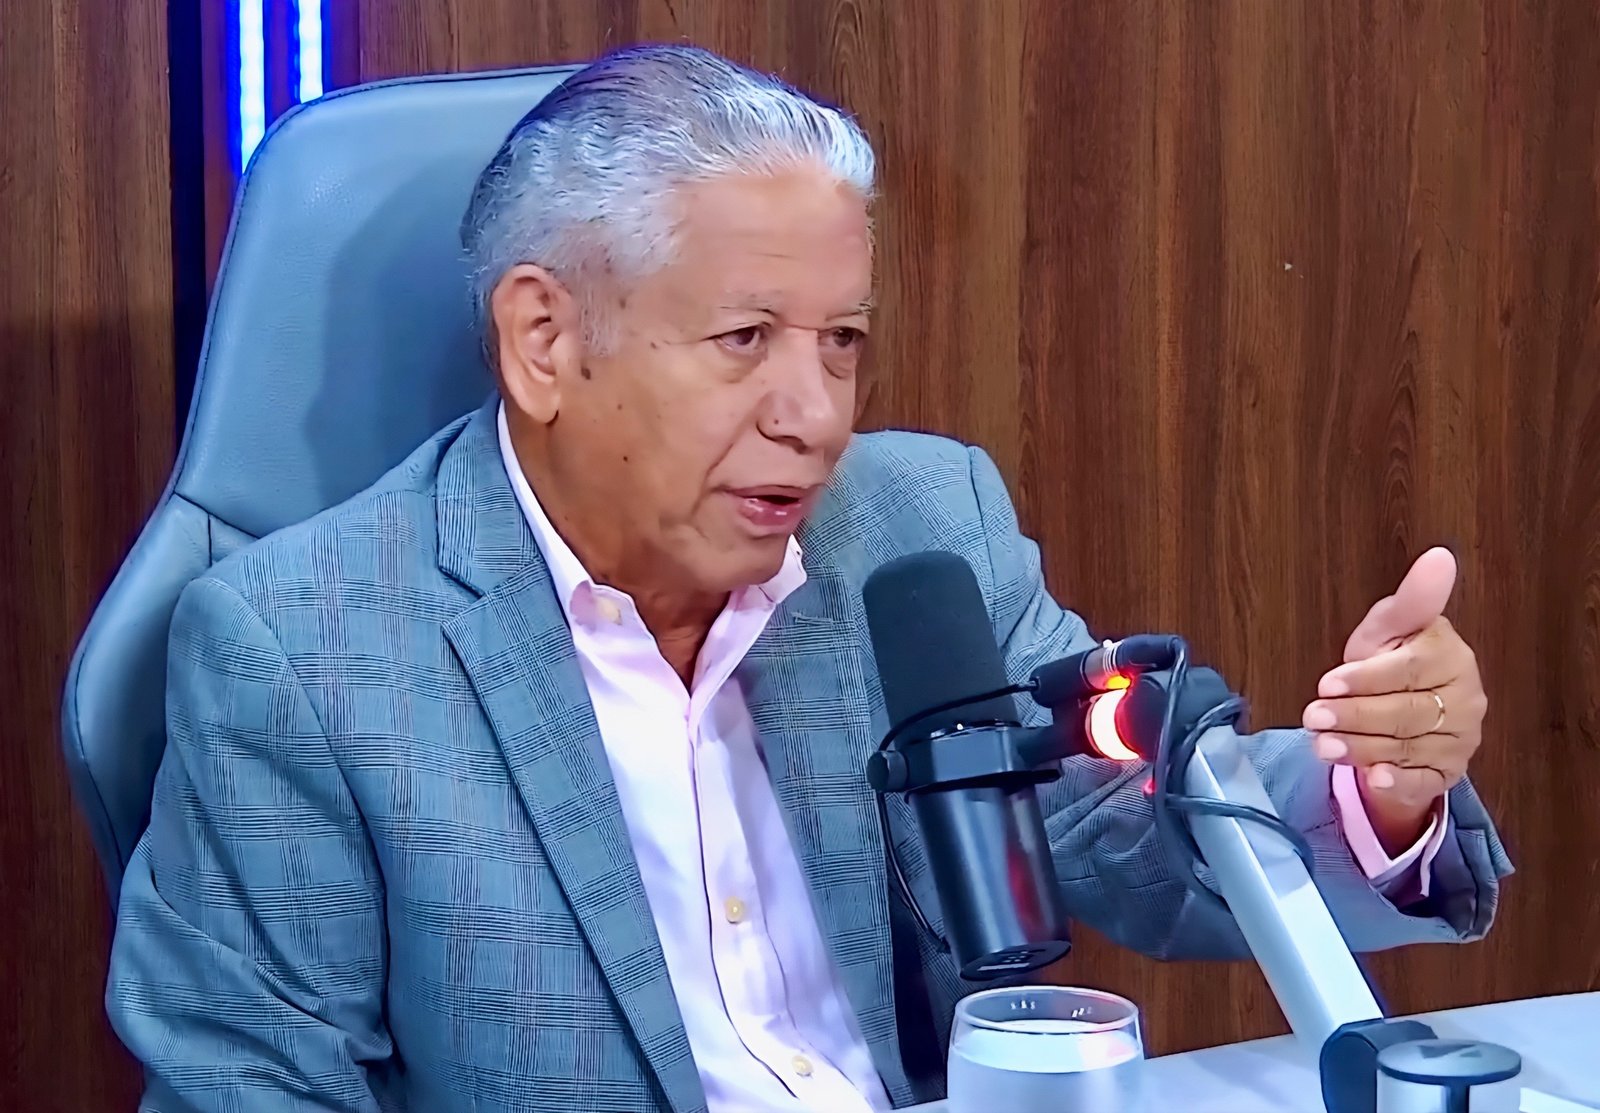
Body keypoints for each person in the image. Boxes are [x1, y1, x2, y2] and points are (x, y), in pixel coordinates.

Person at [107, 44, 1510, 1113]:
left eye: (842, 341)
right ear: (545, 341)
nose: (817, 416)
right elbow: (252, 1089)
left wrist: (1375, 791)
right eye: (746, 340)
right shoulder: (304, 653)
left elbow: (1123, 821)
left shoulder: (913, 527)